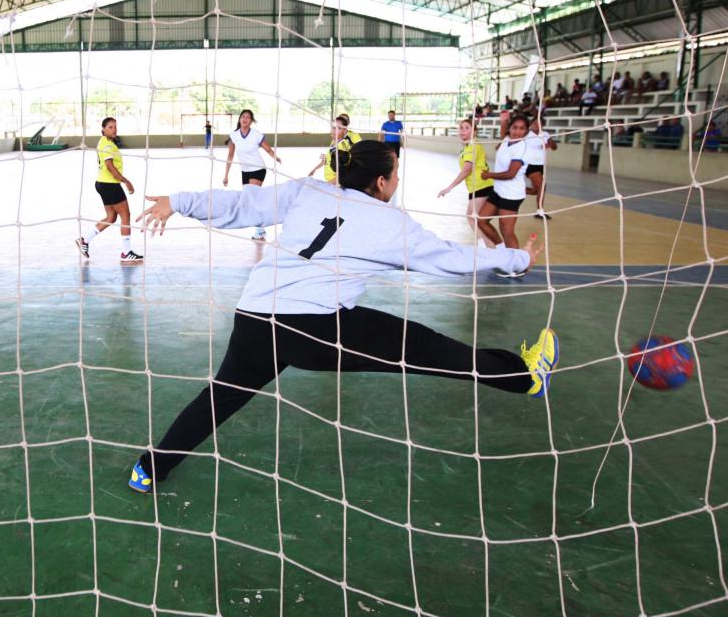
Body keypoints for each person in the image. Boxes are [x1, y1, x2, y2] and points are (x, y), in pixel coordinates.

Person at [125, 139, 557, 494]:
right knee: (427, 348)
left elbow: (245, 205)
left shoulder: (307, 190)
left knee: (220, 397)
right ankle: (526, 377)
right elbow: (451, 259)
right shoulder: (390, 221)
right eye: (397, 177)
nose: (397, 184)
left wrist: (178, 201)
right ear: (382, 181)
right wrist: (517, 258)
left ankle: (149, 468)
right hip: (316, 330)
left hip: (255, 316)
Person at [74, 116, 142, 263]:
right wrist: (126, 181)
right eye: (110, 127)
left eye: (115, 127)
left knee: (111, 217)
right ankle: (126, 253)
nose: (114, 129)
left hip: (102, 183)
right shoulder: (107, 145)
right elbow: (110, 167)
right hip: (110, 185)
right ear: (103, 130)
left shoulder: (106, 142)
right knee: (125, 215)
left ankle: (84, 240)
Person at [476, 114, 531, 275]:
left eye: (522, 129)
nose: (517, 132)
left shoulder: (521, 148)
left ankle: (518, 266)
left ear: (526, 131)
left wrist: (489, 175)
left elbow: (510, 174)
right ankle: (502, 251)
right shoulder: (507, 140)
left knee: (507, 230)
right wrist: (503, 121)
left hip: (512, 195)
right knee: (482, 220)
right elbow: (503, 137)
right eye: (515, 127)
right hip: (499, 190)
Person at [223, 109, 281, 242]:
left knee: (253, 198)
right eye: (243, 116)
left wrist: (275, 157)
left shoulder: (256, 135)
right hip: (245, 171)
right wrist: (226, 175)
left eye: (248, 117)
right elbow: (230, 156)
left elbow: (267, 149)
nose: (245, 119)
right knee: (250, 200)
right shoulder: (234, 136)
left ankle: (260, 229)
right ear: (239, 120)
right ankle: (261, 226)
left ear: (251, 121)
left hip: (258, 169)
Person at [436, 118, 492, 243]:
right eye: (461, 127)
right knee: (473, 217)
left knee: (473, 217)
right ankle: (486, 246)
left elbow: (467, 170)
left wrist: (448, 188)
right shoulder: (468, 147)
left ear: (474, 131)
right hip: (475, 187)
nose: (463, 131)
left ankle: (487, 247)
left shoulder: (472, 146)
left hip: (481, 186)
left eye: (467, 128)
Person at [307, 115, 360, 185]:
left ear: (345, 129)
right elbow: (327, 159)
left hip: (335, 186)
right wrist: (314, 169)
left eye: (339, 128)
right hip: (329, 182)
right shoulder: (334, 140)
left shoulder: (347, 144)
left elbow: (346, 172)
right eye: (333, 127)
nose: (334, 130)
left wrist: (329, 185)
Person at [523, 116, 556, 219]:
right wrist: (546, 144)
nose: (537, 125)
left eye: (539, 123)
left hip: (541, 165)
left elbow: (554, 147)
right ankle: (540, 211)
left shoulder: (545, 134)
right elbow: (541, 146)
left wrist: (551, 143)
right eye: (535, 123)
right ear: (531, 124)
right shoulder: (527, 134)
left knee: (534, 191)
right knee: (542, 187)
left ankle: (513, 189)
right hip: (530, 165)